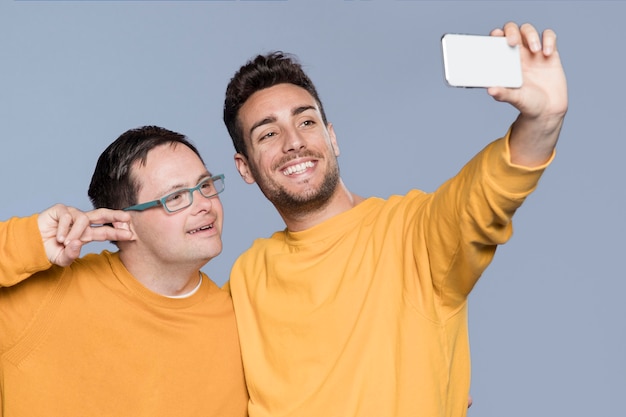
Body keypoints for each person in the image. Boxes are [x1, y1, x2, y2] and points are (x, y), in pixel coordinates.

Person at [222, 22, 567, 417]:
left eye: (306, 121)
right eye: (268, 134)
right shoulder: (247, 277)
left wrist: (542, 122)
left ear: (332, 137)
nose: (293, 142)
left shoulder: (411, 234)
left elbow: (484, 196)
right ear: (245, 167)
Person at [0, 126, 248, 416]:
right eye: (176, 197)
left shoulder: (241, 323)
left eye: (205, 185)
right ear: (122, 223)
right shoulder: (45, 296)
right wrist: (28, 241)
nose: (205, 204)